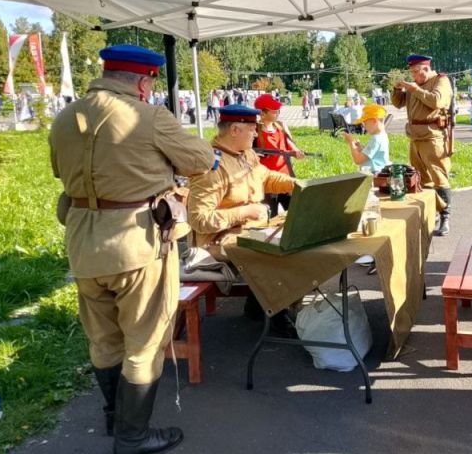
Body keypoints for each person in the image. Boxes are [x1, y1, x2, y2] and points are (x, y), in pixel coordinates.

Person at [49, 45, 214, 454]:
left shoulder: (64, 118)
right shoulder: (150, 116)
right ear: (144, 82)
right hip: (136, 245)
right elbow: (201, 158)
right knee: (144, 343)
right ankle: (132, 437)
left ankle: (114, 417)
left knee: (104, 340)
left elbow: (59, 172)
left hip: (84, 243)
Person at [187, 104, 296, 328]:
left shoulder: (245, 154)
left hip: (251, 231)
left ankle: (262, 305)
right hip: (218, 240)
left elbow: (265, 177)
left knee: (297, 238)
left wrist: (297, 185)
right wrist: (244, 212)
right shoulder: (211, 166)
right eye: (252, 129)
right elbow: (199, 219)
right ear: (235, 130)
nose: (256, 133)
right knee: (275, 252)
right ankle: (276, 314)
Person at [392, 54, 454, 236]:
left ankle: (445, 216)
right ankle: (430, 212)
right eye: (412, 72)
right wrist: (397, 90)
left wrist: (415, 89)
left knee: (439, 176)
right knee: (421, 177)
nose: (414, 76)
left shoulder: (440, 80)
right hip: (415, 137)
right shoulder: (415, 85)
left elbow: (438, 101)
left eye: (417, 72)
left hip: (433, 137)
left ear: (426, 69)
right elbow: (398, 104)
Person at [253, 93, 305, 217]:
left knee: (296, 213)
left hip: (285, 178)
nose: (277, 113)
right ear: (262, 113)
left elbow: (289, 144)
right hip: (267, 182)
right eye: (274, 111)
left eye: (278, 111)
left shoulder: (281, 126)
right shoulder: (255, 130)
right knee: (271, 217)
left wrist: (297, 152)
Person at [343, 104, 391, 173]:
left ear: (374, 121)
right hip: (380, 173)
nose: (364, 127)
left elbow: (358, 160)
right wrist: (360, 149)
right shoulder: (382, 136)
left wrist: (350, 142)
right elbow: (370, 156)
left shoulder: (376, 139)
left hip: (374, 175)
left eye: (365, 123)